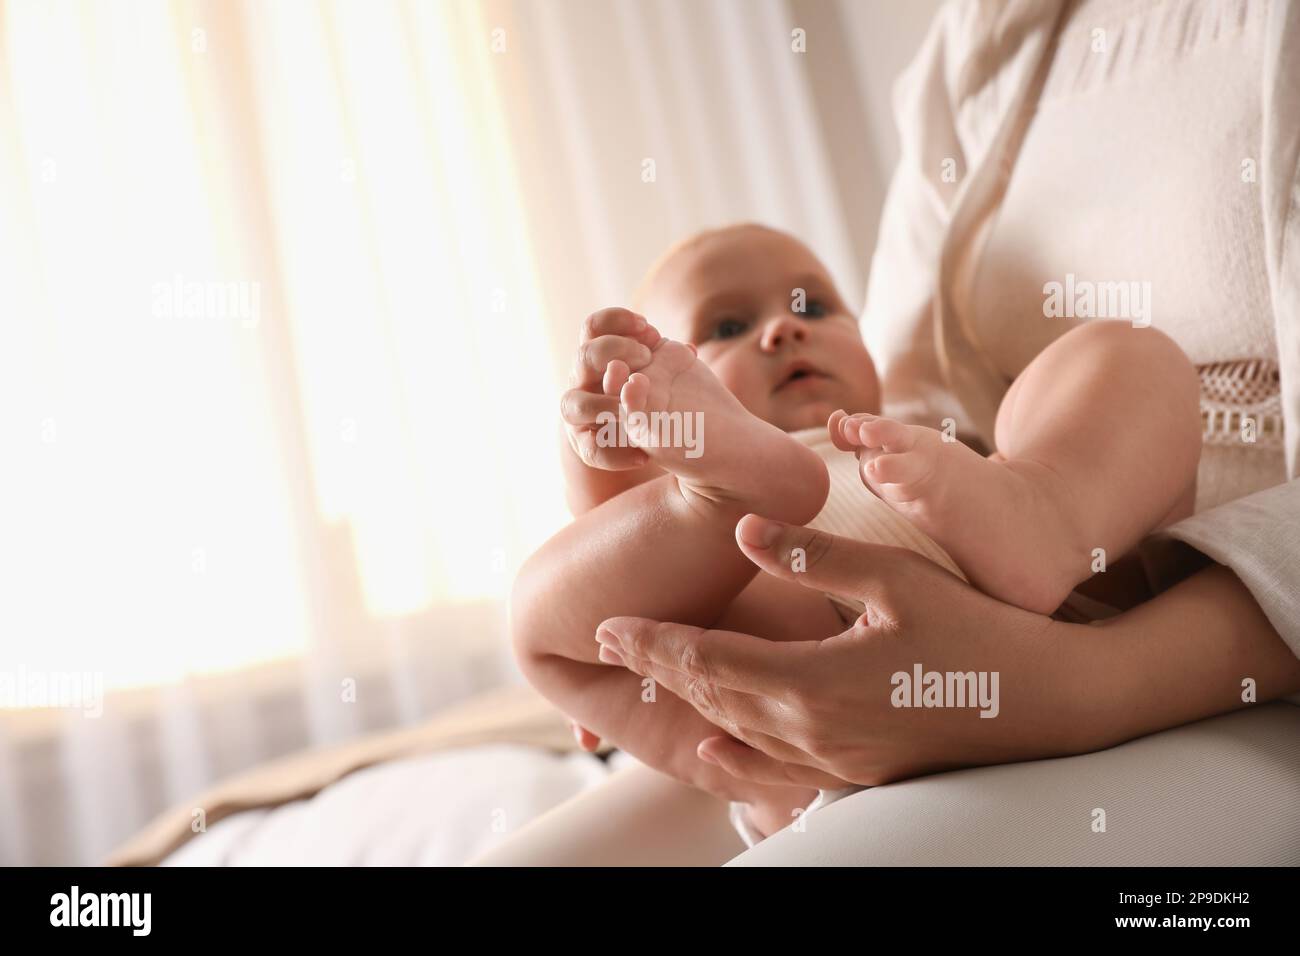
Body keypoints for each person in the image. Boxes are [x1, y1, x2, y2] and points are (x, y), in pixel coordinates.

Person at [470, 0, 1300, 865]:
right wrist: (601, 441)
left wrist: (1025, 511)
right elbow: (602, 559)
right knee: (545, 618)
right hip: (778, 695)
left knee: (1124, 356)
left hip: (1042, 609)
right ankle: (711, 502)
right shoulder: (981, 42)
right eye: (722, 328)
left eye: (815, 305)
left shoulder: (920, 451)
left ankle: (1049, 512)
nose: (782, 329)